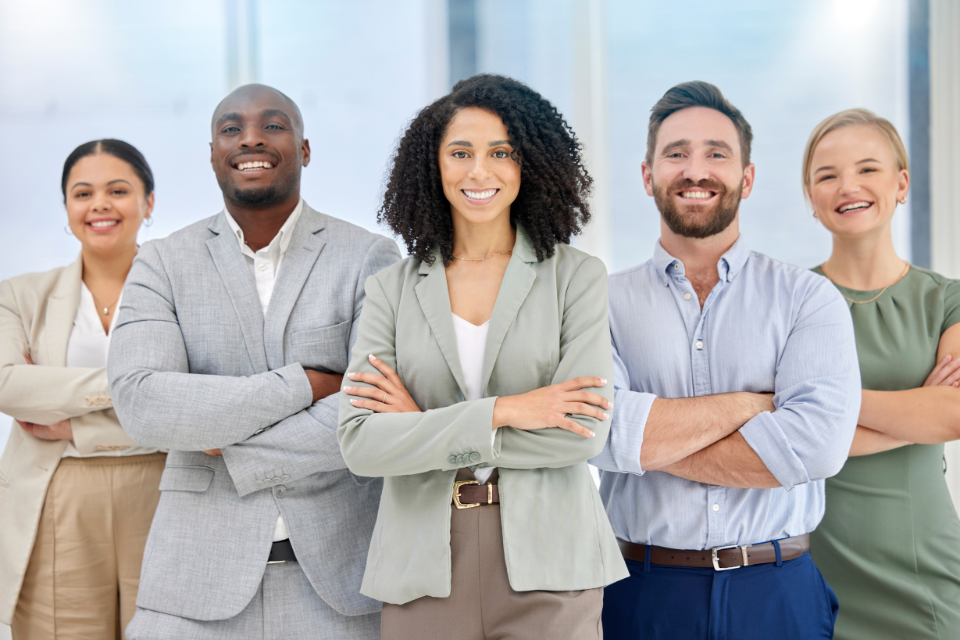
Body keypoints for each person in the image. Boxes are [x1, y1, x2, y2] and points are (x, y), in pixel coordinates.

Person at [337, 74, 627, 640]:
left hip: (551, 562)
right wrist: (505, 411)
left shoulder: (576, 278)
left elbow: (582, 434)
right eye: (460, 153)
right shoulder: (391, 289)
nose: (479, 171)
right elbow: (360, 443)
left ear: (531, 164)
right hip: (422, 564)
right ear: (433, 165)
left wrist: (419, 429)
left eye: (501, 153)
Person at [108, 84, 401, 640]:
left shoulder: (368, 256)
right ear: (213, 153)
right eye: (230, 128)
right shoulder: (162, 264)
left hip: (343, 587)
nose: (250, 139)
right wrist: (307, 384)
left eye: (273, 125)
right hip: (191, 586)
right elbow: (143, 403)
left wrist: (219, 434)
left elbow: (373, 410)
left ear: (304, 149)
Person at [591, 81, 862, 639]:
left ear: (747, 177)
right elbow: (602, 435)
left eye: (717, 153)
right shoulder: (598, 304)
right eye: (676, 154)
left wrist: (645, 437)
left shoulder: (807, 300)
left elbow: (815, 448)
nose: (696, 170)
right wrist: (748, 407)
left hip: (776, 592)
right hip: (641, 593)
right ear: (648, 176)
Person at [803, 108, 960, 639]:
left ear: (902, 183)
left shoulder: (947, 300)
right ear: (811, 197)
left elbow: (954, 412)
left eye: (868, 168)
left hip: (924, 570)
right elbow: (787, 435)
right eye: (827, 175)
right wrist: (917, 412)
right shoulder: (787, 302)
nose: (848, 185)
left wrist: (824, 403)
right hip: (813, 574)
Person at [0, 139, 165, 639]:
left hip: (164, 491)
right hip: (58, 498)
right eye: (82, 193)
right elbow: (8, 384)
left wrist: (75, 423)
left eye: (118, 190)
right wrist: (139, 386)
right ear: (67, 207)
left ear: (148, 202)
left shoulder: (185, 292)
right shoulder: (20, 295)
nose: (99, 204)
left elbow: (199, 397)